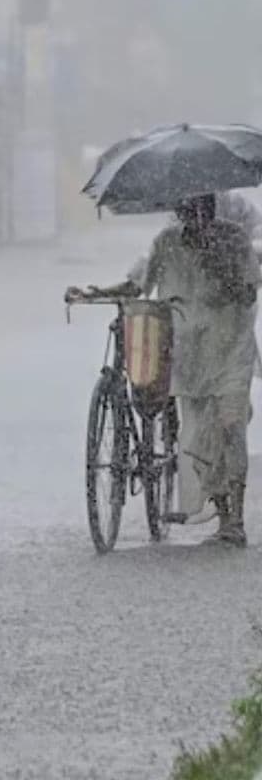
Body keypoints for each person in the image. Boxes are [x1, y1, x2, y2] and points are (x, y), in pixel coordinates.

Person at [68, 193, 261, 546]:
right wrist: (96, 292)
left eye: (201, 207)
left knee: (230, 425)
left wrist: (224, 271)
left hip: (231, 346)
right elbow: (140, 284)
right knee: (200, 432)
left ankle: (235, 518)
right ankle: (221, 507)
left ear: (211, 207)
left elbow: (249, 292)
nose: (194, 215)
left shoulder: (234, 239)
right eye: (187, 209)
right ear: (179, 211)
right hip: (190, 353)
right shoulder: (167, 241)